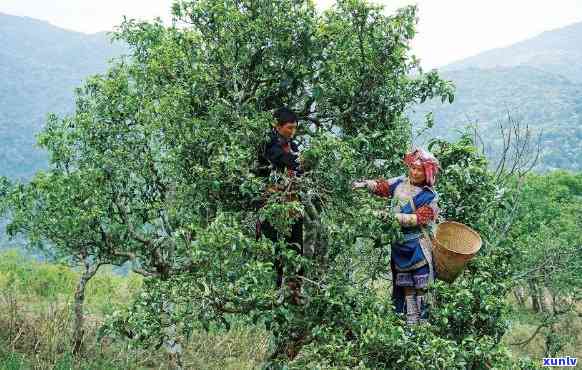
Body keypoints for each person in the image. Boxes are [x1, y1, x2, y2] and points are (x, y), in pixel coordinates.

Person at [352, 148, 440, 325]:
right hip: (399, 245)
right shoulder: (400, 183)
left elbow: (418, 219)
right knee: (406, 286)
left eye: (419, 170)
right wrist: (363, 184)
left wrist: (388, 217)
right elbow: (382, 186)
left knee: (422, 286)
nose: (414, 172)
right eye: (413, 168)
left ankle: (424, 325)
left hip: (418, 247)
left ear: (427, 173)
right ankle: (410, 322)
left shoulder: (430, 196)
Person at [255, 107, 304, 303]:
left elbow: (298, 169)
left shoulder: (293, 145)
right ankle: (274, 292)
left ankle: (295, 291)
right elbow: (281, 159)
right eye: (289, 128)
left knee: (296, 247)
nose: (292, 132)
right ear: (278, 126)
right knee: (274, 248)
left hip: (293, 203)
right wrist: (300, 163)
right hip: (272, 203)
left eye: (295, 128)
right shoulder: (268, 143)